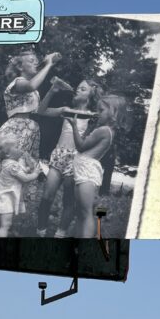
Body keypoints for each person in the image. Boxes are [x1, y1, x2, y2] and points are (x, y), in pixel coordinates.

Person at [0, 50, 61, 200]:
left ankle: (8, 204)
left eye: (36, 60)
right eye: (30, 61)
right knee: (10, 164)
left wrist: (53, 93)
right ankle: (1, 207)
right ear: (20, 68)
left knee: (20, 166)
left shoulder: (34, 92)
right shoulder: (18, 82)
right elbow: (31, 86)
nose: (35, 62)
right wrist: (48, 65)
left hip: (29, 129)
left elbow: (40, 110)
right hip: (17, 128)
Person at [36, 79, 103, 237]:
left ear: (91, 95)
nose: (78, 90)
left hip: (76, 159)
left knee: (68, 201)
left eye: (83, 89)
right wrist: (53, 90)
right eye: (78, 87)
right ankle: (40, 232)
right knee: (46, 196)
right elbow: (41, 111)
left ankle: (60, 234)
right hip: (59, 155)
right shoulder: (66, 110)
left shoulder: (94, 117)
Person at [67, 94, 129, 237]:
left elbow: (81, 146)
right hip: (84, 170)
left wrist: (74, 126)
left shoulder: (103, 131)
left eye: (101, 110)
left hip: (87, 171)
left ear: (113, 112)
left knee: (86, 213)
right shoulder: (106, 130)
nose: (97, 113)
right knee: (81, 212)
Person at [0, 134, 41, 237]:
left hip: (0, 198)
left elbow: (21, 171)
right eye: (15, 147)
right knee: (5, 225)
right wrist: (36, 174)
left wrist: (27, 169)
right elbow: (25, 178)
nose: (19, 149)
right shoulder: (13, 166)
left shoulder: (7, 163)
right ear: (7, 154)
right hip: (7, 200)